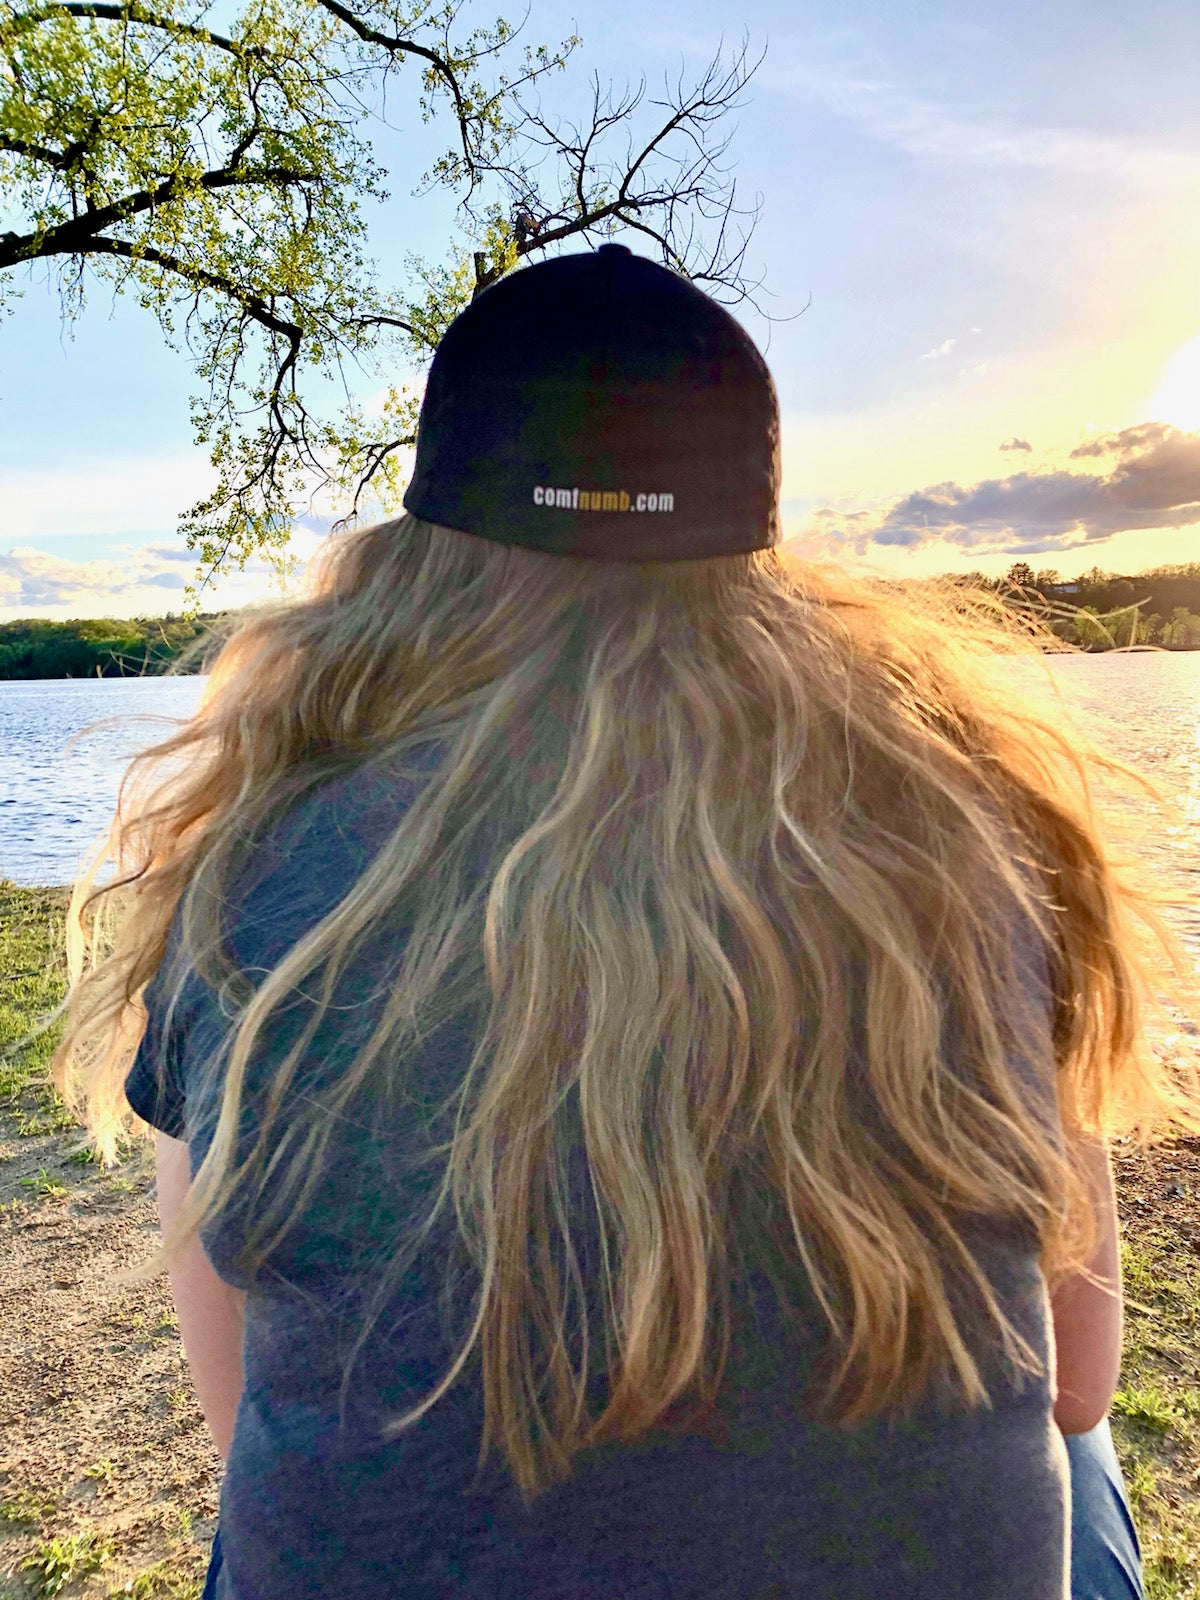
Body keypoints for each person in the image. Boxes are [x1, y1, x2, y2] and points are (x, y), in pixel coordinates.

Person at [55, 244, 1195, 1599]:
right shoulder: (975, 837)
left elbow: (240, 1409)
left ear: (421, 550)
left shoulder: (257, 869)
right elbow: (1076, 1380)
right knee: (1083, 1466)